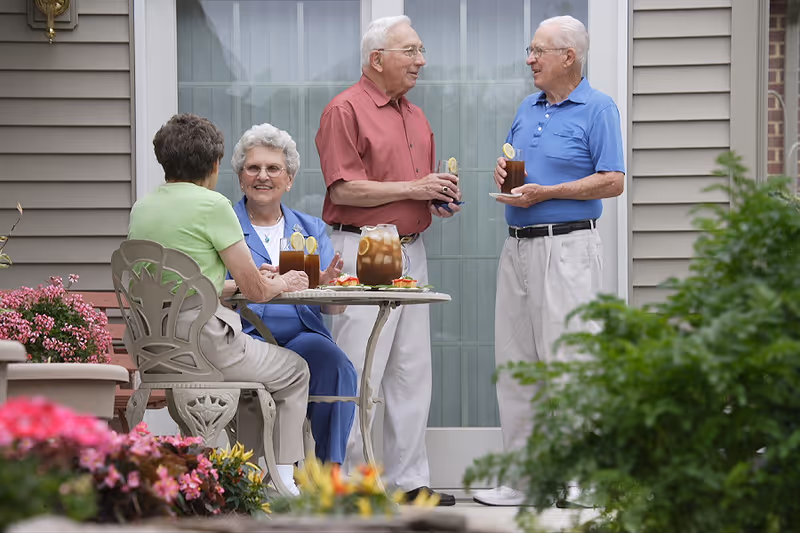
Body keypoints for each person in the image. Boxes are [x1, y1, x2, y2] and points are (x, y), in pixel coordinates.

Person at [472, 16, 625, 507]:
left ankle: (588, 479)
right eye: (530, 49)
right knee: (516, 364)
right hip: (517, 243)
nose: (529, 59)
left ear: (569, 58)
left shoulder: (599, 108)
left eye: (539, 50)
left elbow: (612, 179)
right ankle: (524, 480)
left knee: (573, 363)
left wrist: (549, 192)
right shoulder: (527, 105)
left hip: (569, 246)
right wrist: (505, 173)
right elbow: (517, 165)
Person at [315, 15, 461, 506]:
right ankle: (355, 482)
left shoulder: (416, 116)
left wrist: (435, 197)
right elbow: (344, 189)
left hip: (410, 249)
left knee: (411, 369)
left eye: (421, 51)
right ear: (377, 59)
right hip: (360, 248)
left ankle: (409, 481)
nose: (421, 61)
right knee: (360, 365)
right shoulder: (344, 110)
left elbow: (411, 189)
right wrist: (414, 188)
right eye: (411, 51)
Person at [127, 113, 311, 496]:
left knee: (254, 379)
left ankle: (241, 473)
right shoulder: (214, 206)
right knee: (295, 370)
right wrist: (283, 281)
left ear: (163, 160)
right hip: (206, 348)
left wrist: (236, 285)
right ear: (214, 166)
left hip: (155, 349)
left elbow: (181, 283)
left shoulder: (142, 208)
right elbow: (257, 291)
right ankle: (282, 477)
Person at [228, 122, 357, 465]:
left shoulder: (311, 228)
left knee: (336, 365)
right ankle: (271, 471)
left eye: (274, 168)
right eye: (253, 168)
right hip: (246, 335)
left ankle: (330, 472)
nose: (263, 176)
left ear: (290, 179)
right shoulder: (224, 224)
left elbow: (335, 309)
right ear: (241, 178)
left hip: (301, 333)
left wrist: (328, 284)